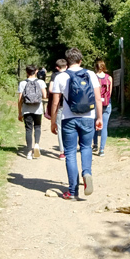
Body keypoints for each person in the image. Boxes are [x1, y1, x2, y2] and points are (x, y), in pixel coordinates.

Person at [50, 48, 103, 201]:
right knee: (86, 147)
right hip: (88, 117)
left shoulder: (61, 76)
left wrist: (54, 121)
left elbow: (55, 103)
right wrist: (99, 118)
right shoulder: (91, 74)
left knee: (70, 152)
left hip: (68, 118)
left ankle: (72, 191)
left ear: (67, 62)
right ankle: (87, 173)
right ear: (80, 61)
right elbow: (98, 99)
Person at [18, 65, 48, 160]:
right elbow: (44, 96)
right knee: (37, 127)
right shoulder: (41, 82)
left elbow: (19, 100)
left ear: (26, 72)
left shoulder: (22, 83)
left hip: (26, 110)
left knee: (28, 129)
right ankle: (36, 144)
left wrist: (19, 113)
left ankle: (29, 152)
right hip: (38, 109)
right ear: (36, 72)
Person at [48, 59, 68, 160]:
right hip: (72, 106)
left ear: (57, 67)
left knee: (60, 128)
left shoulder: (55, 76)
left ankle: (62, 152)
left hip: (61, 105)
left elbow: (51, 89)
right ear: (66, 66)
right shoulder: (70, 74)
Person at [93, 59, 113, 157]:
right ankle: (102, 150)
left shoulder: (93, 77)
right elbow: (110, 93)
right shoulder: (109, 78)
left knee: (95, 124)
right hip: (107, 103)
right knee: (104, 126)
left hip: (96, 104)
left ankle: (95, 144)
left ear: (96, 67)